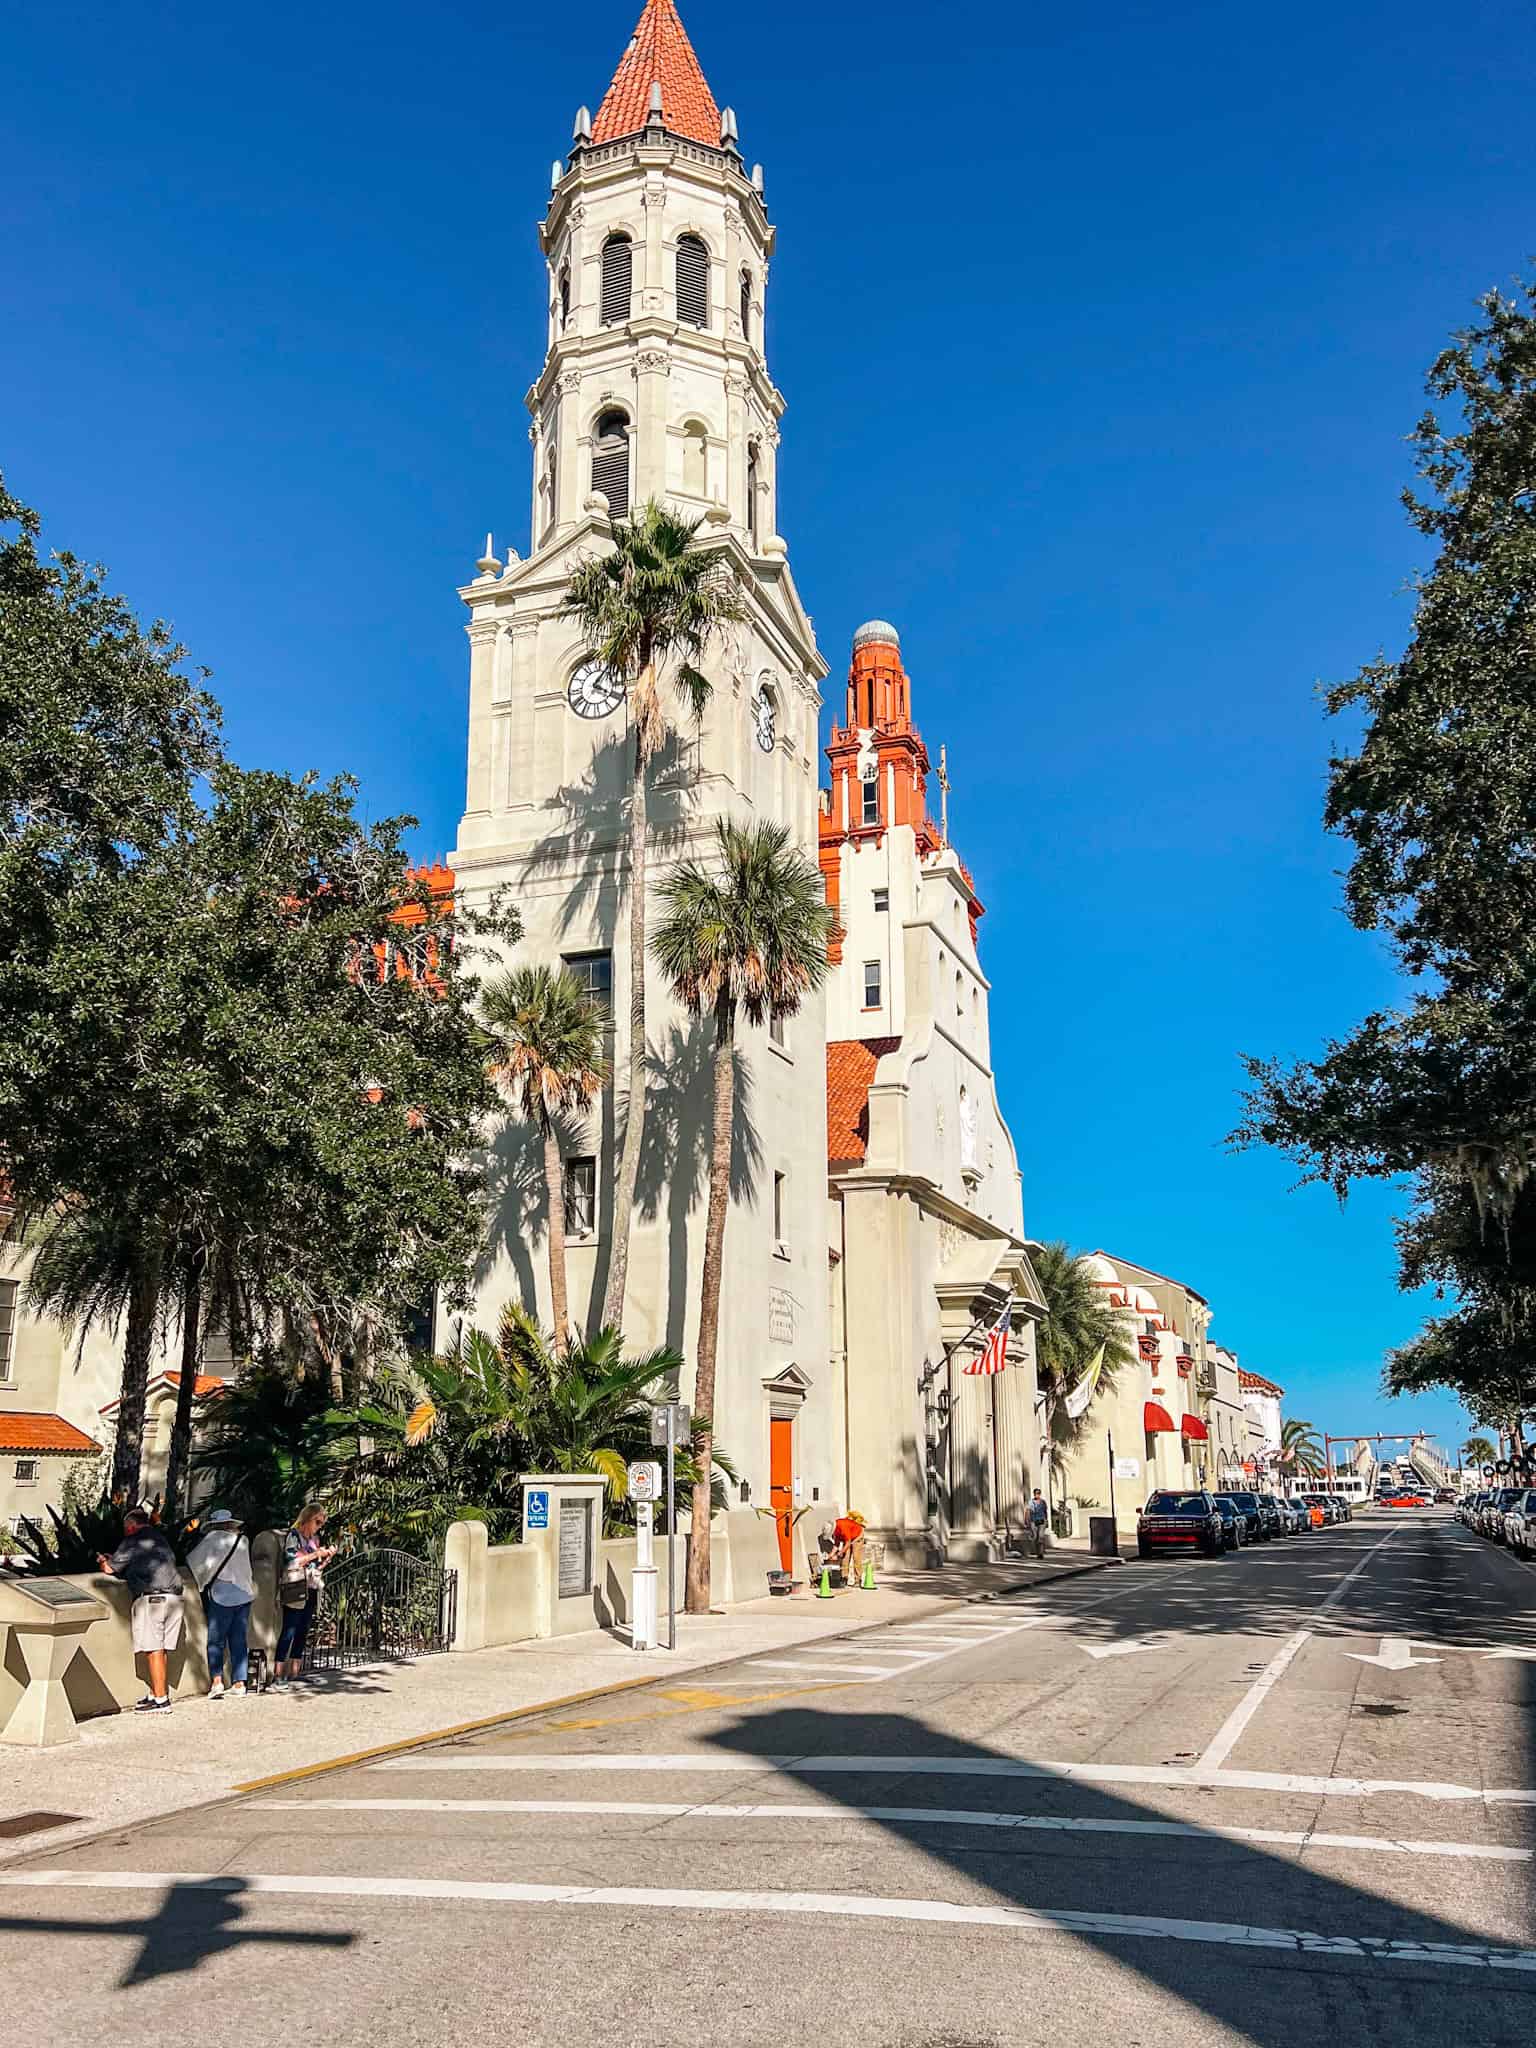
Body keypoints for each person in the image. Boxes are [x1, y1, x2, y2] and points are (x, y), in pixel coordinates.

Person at [97, 1506, 184, 1713]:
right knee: (160, 1649)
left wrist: (103, 1561)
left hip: (152, 1599)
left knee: (153, 1649)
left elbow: (110, 1569)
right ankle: (156, 1692)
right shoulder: (160, 1538)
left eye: (126, 1528)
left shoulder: (133, 1540)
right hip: (174, 1598)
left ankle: (161, 1701)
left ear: (131, 1525)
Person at [188, 1507, 255, 1699]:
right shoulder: (243, 1540)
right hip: (244, 1594)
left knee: (216, 1641)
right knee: (239, 1640)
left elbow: (196, 1563)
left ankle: (217, 1682)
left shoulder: (212, 1539)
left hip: (221, 1595)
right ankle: (239, 1683)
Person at [273, 1504, 337, 1690]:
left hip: (311, 1586)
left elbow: (315, 1567)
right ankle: (279, 1674)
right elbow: (293, 1560)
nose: (319, 1526)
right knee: (289, 1629)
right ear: (308, 1519)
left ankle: (295, 1671)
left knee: (303, 1629)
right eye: (317, 1522)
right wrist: (316, 1554)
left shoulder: (314, 1539)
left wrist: (325, 1559)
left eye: (322, 1523)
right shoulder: (294, 1536)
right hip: (296, 1586)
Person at [831, 1509, 866, 1584]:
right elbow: (836, 1544)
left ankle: (858, 1579)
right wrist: (831, 1555)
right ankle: (844, 1578)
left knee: (856, 1557)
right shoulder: (835, 1530)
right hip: (848, 1537)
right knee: (845, 1558)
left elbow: (848, 1542)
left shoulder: (842, 1527)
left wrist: (839, 1553)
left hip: (857, 1535)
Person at [1027, 1487, 1050, 1558]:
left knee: (1040, 1536)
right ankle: (1037, 1552)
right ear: (1034, 1494)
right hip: (1033, 1520)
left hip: (1042, 1520)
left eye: (1038, 1494)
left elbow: (1045, 1511)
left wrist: (1046, 1520)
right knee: (1035, 1537)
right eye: (1035, 1494)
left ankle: (1041, 1553)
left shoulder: (1043, 1502)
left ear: (1040, 1494)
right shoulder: (1031, 1502)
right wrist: (1027, 1520)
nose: (1037, 1495)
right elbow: (1028, 1511)